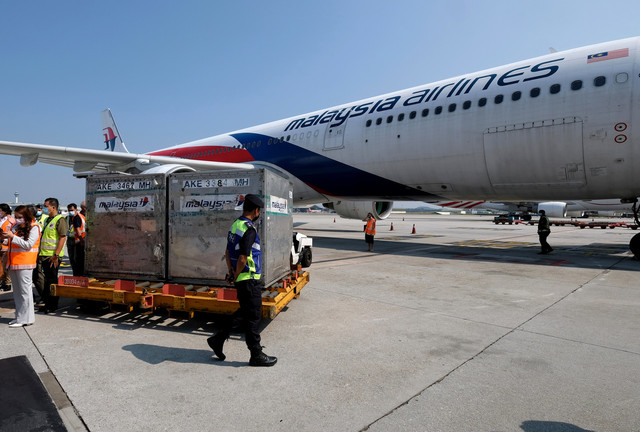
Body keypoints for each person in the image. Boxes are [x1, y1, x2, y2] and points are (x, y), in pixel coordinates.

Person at [207, 194, 277, 367]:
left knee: (245, 313)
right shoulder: (249, 229)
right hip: (249, 280)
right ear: (256, 210)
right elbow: (243, 258)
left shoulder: (235, 226)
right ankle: (256, 354)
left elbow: (227, 252)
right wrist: (237, 274)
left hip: (242, 279)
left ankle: (218, 339)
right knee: (253, 317)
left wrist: (231, 272)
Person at [2, 206, 40, 327]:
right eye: (16, 217)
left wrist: (13, 237)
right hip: (13, 263)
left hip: (25, 263)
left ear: (27, 216)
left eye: (20, 217)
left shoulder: (35, 227)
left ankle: (26, 319)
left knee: (25, 292)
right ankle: (19, 317)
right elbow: (11, 243)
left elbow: (28, 244)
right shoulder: (17, 227)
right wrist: (4, 238)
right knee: (17, 293)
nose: (17, 219)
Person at [35, 198, 67, 313]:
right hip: (45, 255)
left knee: (52, 281)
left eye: (45, 206)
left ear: (53, 207)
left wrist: (56, 255)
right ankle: (48, 303)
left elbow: (63, 237)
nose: (44, 208)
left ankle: (53, 305)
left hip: (52, 257)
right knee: (48, 281)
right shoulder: (48, 219)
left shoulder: (60, 219)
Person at [66, 203, 86, 276]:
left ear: (76, 209)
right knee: (72, 259)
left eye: (72, 210)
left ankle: (78, 274)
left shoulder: (77, 217)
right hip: (70, 239)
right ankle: (76, 273)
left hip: (78, 240)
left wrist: (81, 240)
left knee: (77, 259)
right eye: (69, 210)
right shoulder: (67, 218)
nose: (70, 211)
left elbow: (78, 229)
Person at [0, 203, 15, 291]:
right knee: (1, 267)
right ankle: (3, 282)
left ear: (5, 211)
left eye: (0, 210)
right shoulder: (0, 219)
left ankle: (8, 283)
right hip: (0, 244)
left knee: (6, 266)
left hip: (6, 245)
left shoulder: (11, 220)